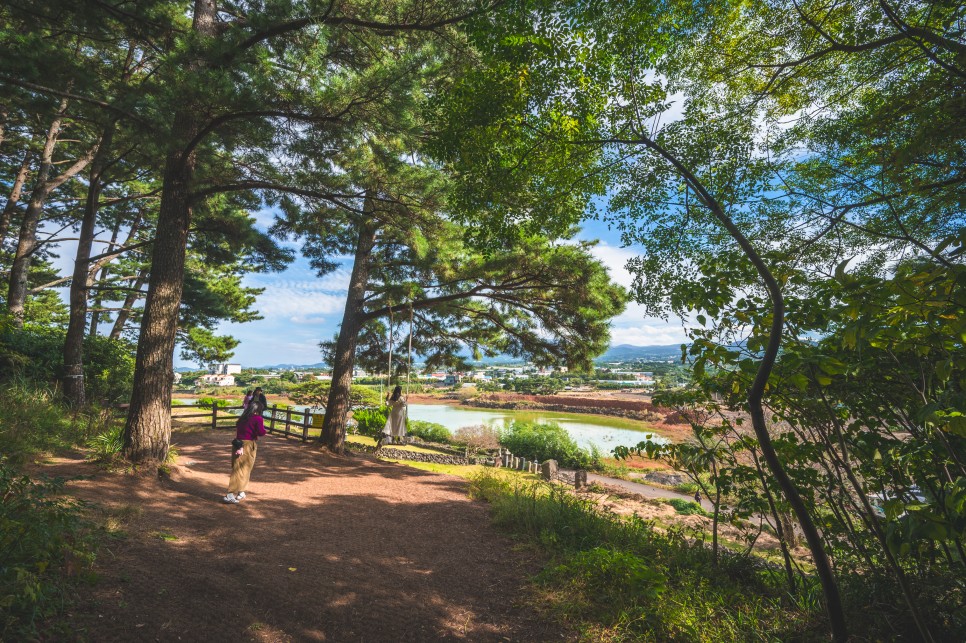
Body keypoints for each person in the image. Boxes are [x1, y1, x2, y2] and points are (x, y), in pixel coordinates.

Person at [224, 401, 267, 504]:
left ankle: (241, 491)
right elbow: (261, 432)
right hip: (248, 445)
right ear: (258, 409)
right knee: (242, 469)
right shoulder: (258, 419)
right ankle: (230, 494)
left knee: (240, 467)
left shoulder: (242, 418)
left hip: (238, 444)